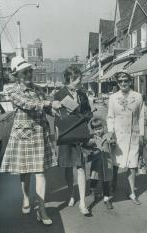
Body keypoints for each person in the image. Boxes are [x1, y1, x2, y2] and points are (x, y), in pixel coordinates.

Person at [0, 56, 60, 225]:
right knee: (25, 172)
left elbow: (47, 108)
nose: (28, 74)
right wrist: (47, 103)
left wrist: (55, 110)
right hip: (24, 136)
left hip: (40, 134)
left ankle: (41, 209)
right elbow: (28, 104)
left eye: (29, 71)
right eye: (24, 72)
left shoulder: (39, 89)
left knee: (40, 172)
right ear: (16, 75)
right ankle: (26, 197)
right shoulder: (13, 91)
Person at [54, 66, 92, 215]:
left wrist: (85, 116)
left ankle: (82, 202)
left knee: (81, 167)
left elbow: (88, 111)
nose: (79, 81)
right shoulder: (59, 94)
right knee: (68, 167)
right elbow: (55, 114)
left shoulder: (82, 95)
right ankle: (71, 194)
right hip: (66, 133)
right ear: (69, 79)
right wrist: (63, 111)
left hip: (79, 134)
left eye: (80, 78)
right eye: (77, 79)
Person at [107, 71, 144, 205]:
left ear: (130, 81)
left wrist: (142, 135)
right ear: (117, 83)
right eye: (120, 81)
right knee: (116, 164)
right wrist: (110, 132)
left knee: (132, 165)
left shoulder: (138, 97)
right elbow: (110, 117)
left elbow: (141, 117)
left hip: (133, 135)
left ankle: (132, 192)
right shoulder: (113, 98)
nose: (123, 83)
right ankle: (113, 184)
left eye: (126, 80)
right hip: (118, 136)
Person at [88, 118, 114, 209]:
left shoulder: (107, 136)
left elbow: (113, 141)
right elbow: (87, 143)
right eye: (95, 129)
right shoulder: (93, 138)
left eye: (100, 128)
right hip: (96, 163)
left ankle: (107, 198)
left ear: (103, 127)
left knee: (106, 181)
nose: (98, 131)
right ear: (93, 130)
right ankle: (92, 191)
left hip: (107, 163)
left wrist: (112, 140)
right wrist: (90, 141)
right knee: (94, 178)